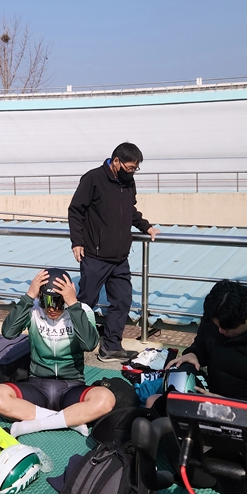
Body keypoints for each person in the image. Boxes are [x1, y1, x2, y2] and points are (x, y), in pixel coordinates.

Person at [0, 268, 116, 437]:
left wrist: (73, 305)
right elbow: (9, 332)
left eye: (58, 302)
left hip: (72, 386)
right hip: (37, 385)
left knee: (106, 399)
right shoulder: (33, 309)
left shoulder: (82, 311)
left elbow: (89, 344)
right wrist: (29, 296)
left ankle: (33, 424)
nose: (52, 308)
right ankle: (70, 420)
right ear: (40, 297)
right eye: (47, 301)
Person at [68, 142, 159, 363]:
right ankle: (69, 344)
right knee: (86, 302)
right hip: (94, 256)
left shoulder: (129, 182)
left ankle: (110, 347)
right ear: (116, 161)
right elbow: (75, 210)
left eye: (135, 168)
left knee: (122, 301)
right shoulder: (93, 178)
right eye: (130, 167)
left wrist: (146, 227)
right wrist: (77, 242)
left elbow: (130, 211)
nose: (132, 172)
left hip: (120, 258)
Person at [147, 279, 247, 413]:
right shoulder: (218, 313)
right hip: (210, 396)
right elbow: (204, 341)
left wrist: (226, 404)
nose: (220, 331)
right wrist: (194, 353)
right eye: (216, 325)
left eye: (227, 329)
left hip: (244, 414)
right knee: (152, 402)